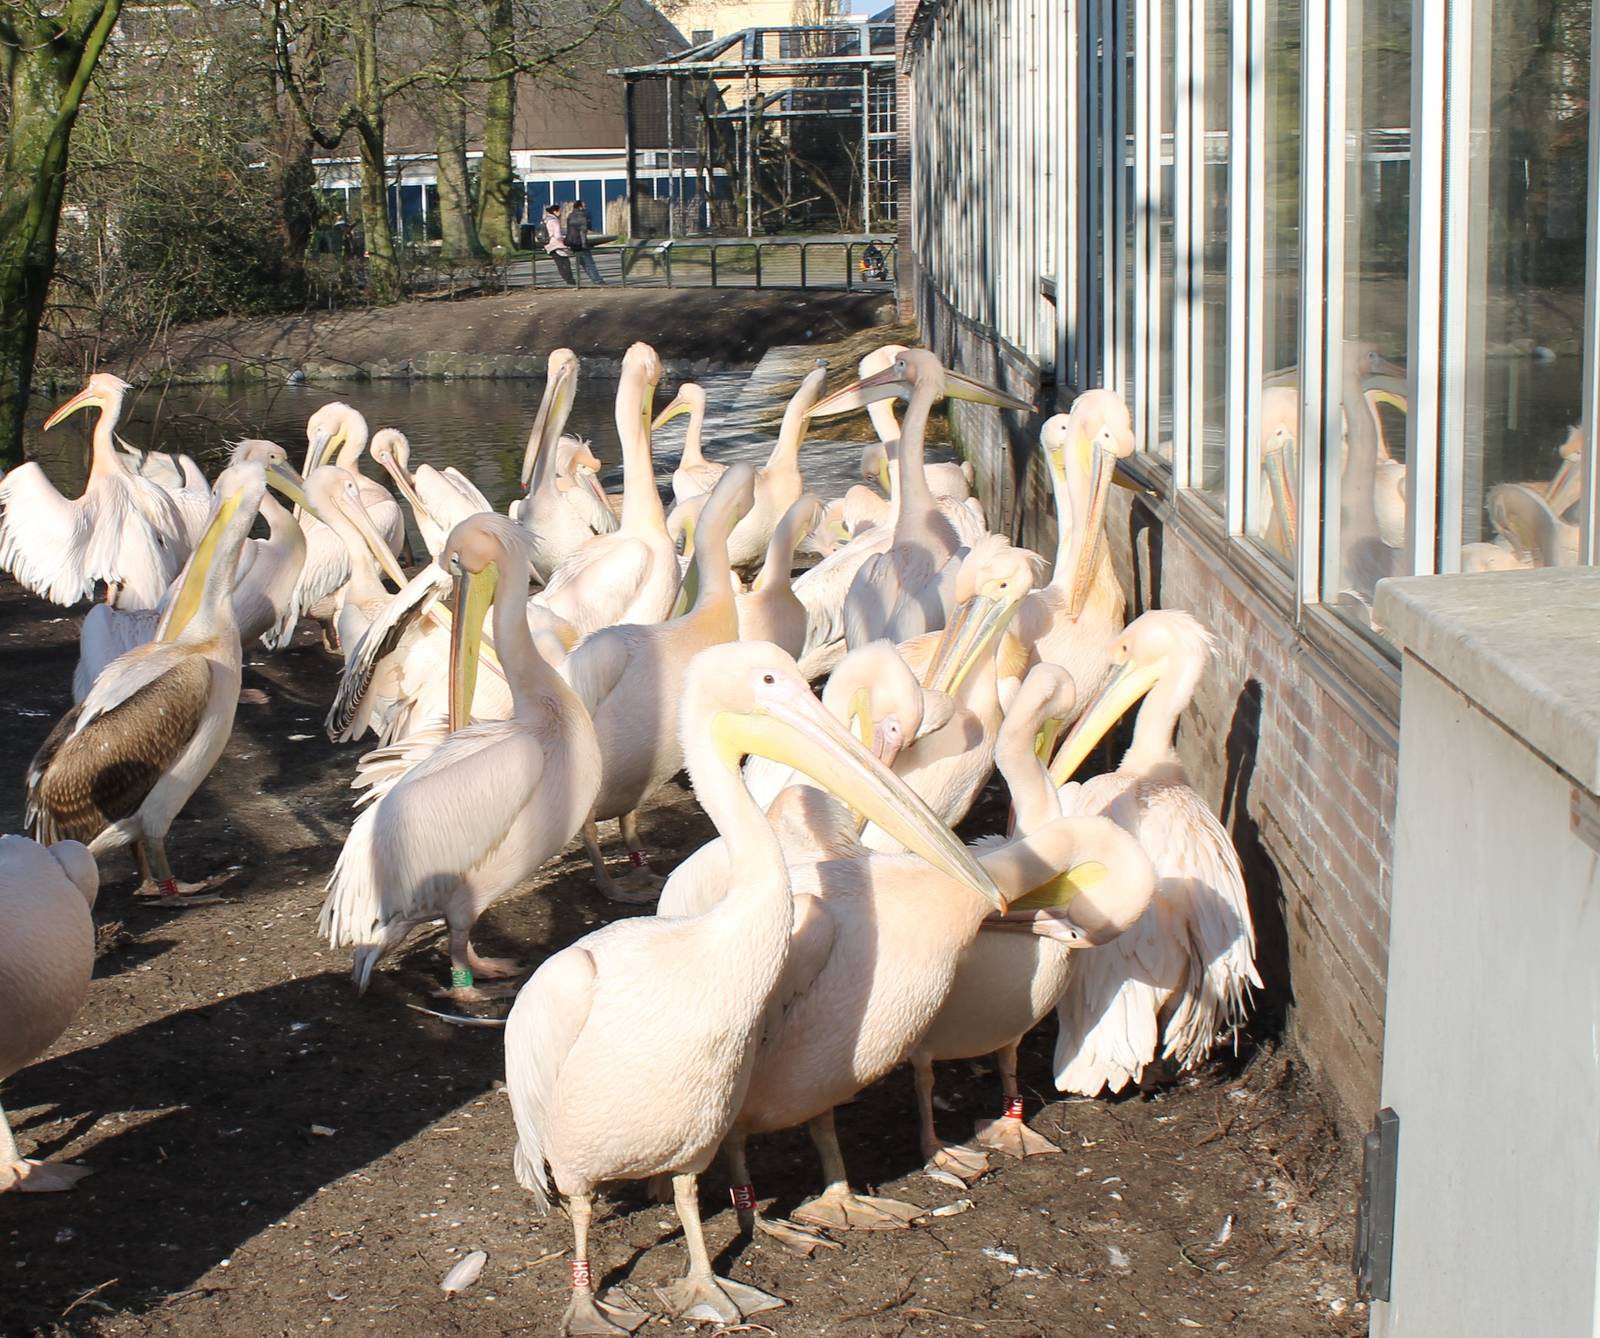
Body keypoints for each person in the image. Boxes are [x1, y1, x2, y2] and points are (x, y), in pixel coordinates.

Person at [565, 201, 607, 286]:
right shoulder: (582, 216)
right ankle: (597, 280)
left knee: (583, 263)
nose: (585, 208)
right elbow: (583, 232)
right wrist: (584, 244)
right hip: (580, 243)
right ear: (580, 207)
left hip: (573, 243)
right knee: (590, 263)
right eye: (584, 206)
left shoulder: (570, 215)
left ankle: (594, 280)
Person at [541, 203, 576, 286]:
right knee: (565, 263)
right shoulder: (554, 221)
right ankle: (570, 281)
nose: (560, 213)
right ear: (555, 211)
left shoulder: (545, 220)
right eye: (559, 211)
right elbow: (557, 235)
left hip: (548, 244)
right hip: (557, 245)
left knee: (559, 264)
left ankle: (569, 280)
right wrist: (564, 242)